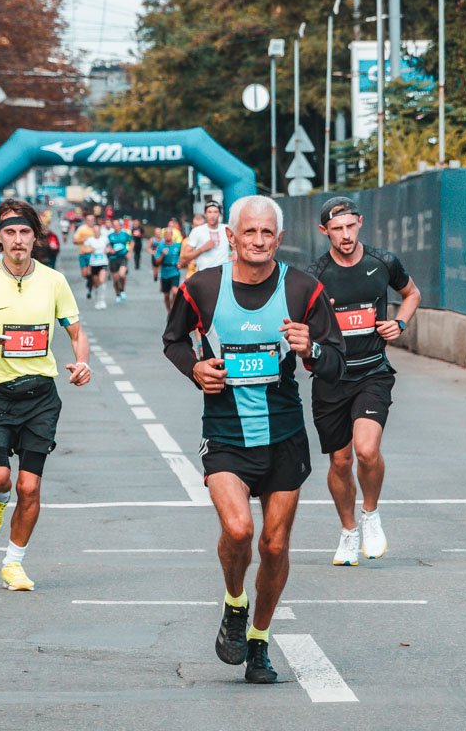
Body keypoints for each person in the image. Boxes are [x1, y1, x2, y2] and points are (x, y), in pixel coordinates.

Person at [162, 195, 344, 684]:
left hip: (284, 435)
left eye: (268, 234)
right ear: (231, 237)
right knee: (239, 531)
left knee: (276, 544)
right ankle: (234, 603)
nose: (259, 241)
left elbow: (336, 359)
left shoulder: (304, 288)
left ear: (279, 239)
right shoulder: (201, 287)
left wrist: (314, 349)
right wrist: (196, 369)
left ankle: (259, 643)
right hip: (224, 433)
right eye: (250, 233)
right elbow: (173, 341)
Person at [0, 199, 91, 592]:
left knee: (30, 487)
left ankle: (14, 563)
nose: (18, 239)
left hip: (41, 394)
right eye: (10, 232)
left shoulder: (54, 281)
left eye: (25, 232)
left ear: (35, 237)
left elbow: (76, 331)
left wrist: (81, 362)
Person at [308, 196, 422, 565]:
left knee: (366, 450)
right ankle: (348, 531)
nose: (345, 235)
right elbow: (299, 323)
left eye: (350, 226)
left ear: (360, 222)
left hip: (373, 371)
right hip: (331, 378)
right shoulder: (315, 275)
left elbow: (412, 294)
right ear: (325, 231)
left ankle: (370, 515)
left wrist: (400, 322)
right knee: (340, 461)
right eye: (337, 229)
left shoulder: (383, 262)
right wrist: (308, 352)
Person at [180, 202, 230, 275]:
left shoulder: (227, 228)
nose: (212, 215)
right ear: (205, 214)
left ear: (219, 214)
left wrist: (234, 254)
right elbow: (185, 256)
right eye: (209, 212)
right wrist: (202, 249)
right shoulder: (197, 231)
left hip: (223, 274)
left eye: (215, 212)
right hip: (204, 274)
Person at [154, 227, 182, 311]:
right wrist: (162, 254)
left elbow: (183, 257)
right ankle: (169, 311)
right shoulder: (161, 246)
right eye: (166, 234)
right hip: (164, 272)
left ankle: (173, 308)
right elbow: (157, 262)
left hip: (174, 271)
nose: (168, 235)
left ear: (172, 235)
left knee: (175, 292)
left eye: (169, 234)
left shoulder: (177, 246)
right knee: (166, 295)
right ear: (164, 235)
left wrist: (181, 264)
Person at [85, 221, 110, 310]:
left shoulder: (104, 239)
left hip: (103, 262)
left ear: (100, 231)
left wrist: (107, 249)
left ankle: (102, 300)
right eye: (95, 231)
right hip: (93, 263)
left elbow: (109, 246)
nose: (96, 232)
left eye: (97, 230)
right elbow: (85, 249)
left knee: (102, 280)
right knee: (96, 283)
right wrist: (90, 249)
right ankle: (97, 299)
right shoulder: (90, 240)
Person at [107, 218, 132, 303]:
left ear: (120, 226)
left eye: (117, 225)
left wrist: (130, 252)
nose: (116, 227)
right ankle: (117, 293)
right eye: (114, 225)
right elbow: (108, 246)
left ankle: (122, 290)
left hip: (122, 257)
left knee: (122, 275)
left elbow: (131, 242)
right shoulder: (110, 235)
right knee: (115, 279)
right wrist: (110, 249)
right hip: (113, 258)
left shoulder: (125, 234)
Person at [73, 214, 98, 299]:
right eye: (88, 220)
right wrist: (83, 239)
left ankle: (90, 288)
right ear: (86, 221)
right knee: (84, 274)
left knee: (89, 272)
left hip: (92, 255)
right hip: (83, 254)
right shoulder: (82, 229)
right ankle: (89, 282)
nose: (90, 222)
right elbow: (75, 240)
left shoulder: (96, 229)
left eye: (92, 220)